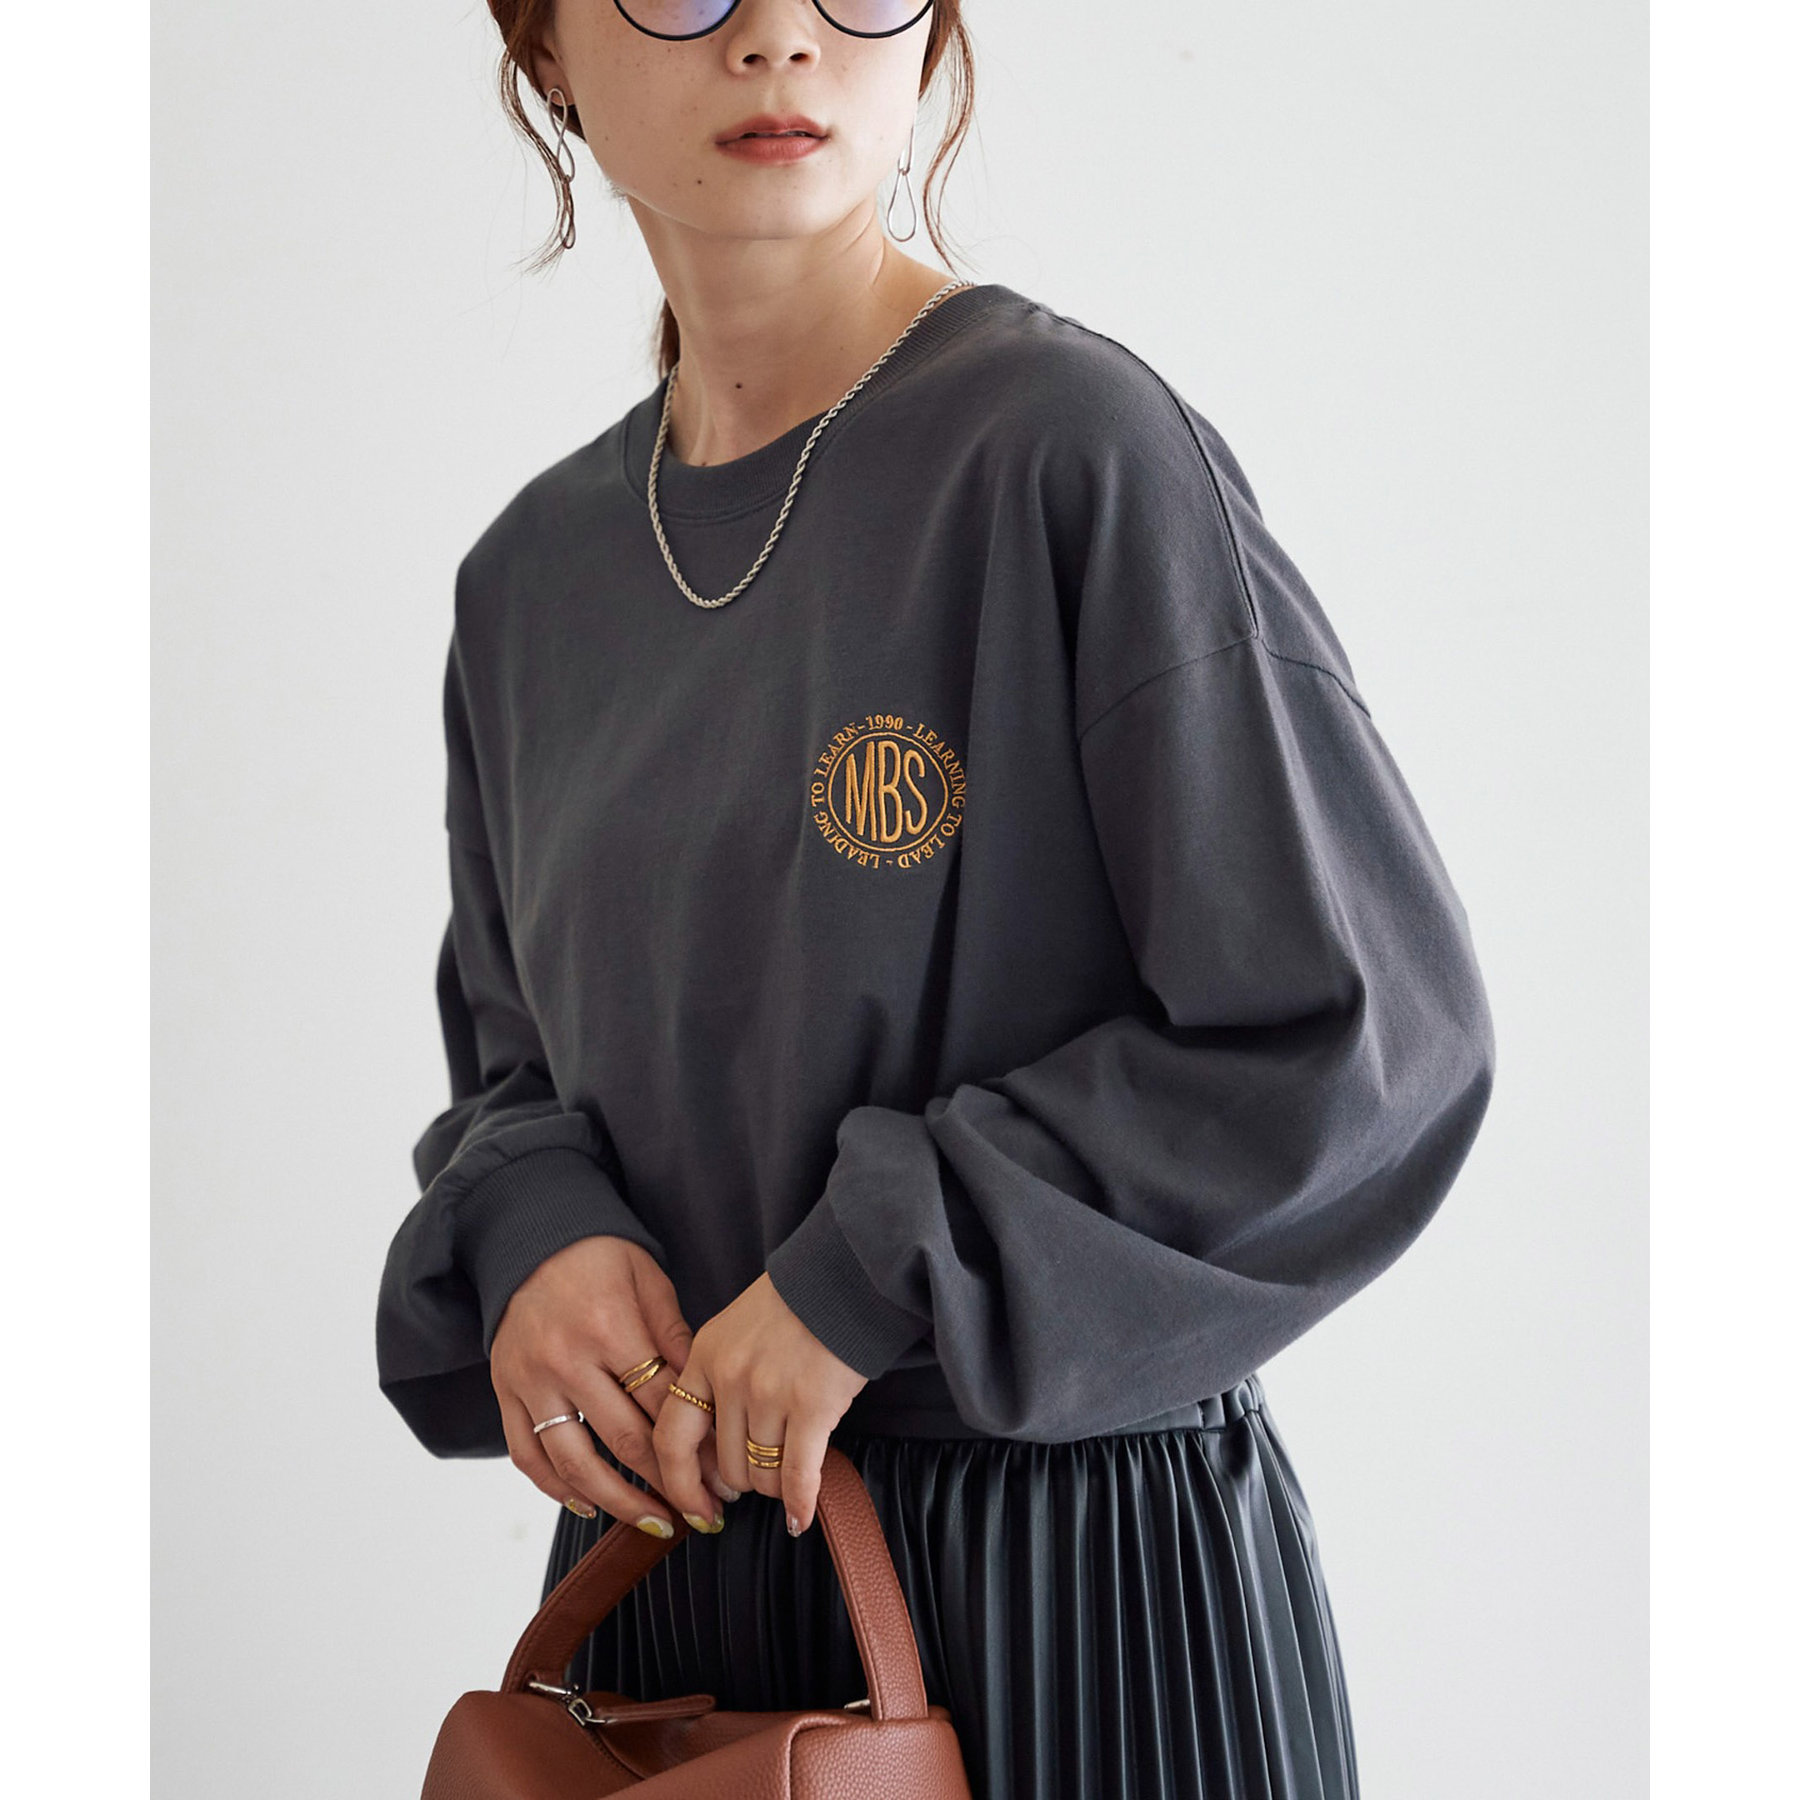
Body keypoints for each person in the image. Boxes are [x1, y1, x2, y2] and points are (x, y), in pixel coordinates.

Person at [375, 3, 1497, 1796]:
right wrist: (535, 1234)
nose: (778, 37)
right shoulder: (531, 582)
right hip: (677, 1592)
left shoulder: (1069, 450)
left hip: (1079, 1587)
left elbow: (1355, 1040)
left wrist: (877, 1267)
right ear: (548, 48)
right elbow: (515, 1063)